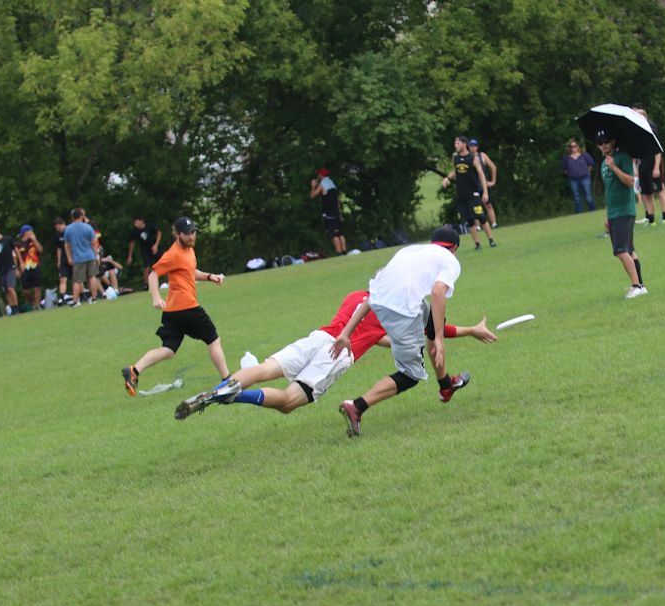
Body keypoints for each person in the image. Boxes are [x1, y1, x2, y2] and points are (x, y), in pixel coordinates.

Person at [175, 291, 496, 419]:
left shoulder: (357, 296)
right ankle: (233, 397)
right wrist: (471, 329)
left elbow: (372, 334)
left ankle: (219, 389)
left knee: (264, 368)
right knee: (287, 402)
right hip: (337, 353)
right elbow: (437, 330)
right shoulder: (395, 311)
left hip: (317, 337)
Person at [331, 225, 473, 438]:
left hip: (384, 303)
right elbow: (437, 292)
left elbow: (374, 295)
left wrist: (345, 333)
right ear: (454, 248)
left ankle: (446, 385)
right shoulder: (450, 260)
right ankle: (357, 406)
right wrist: (439, 339)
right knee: (410, 375)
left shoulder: (411, 251)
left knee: (433, 319)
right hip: (401, 311)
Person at [121, 217, 230, 397]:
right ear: (178, 234)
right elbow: (153, 275)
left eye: (193, 232)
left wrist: (210, 277)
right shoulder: (173, 254)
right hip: (187, 307)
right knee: (213, 339)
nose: (192, 236)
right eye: (187, 233)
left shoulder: (189, 250)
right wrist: (156, 297)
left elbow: (190, 271)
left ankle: (134, 370)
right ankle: (228, 381)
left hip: (173, 312)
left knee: (168, 350)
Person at [596, 129, 647, 299]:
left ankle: (636, 286)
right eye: (600, 143)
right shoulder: (603, 163)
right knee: (629, 250)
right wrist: (608, 215)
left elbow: (630, 181)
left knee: (620, 251)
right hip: (614, 212)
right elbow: (610, 191)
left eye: (606, 141)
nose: (603, 145)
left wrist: (614, 167)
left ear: (613, 142)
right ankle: (641, 285)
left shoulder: (622, 158)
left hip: (625, 211)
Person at [441, 136, 496, 250]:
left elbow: (481, 175)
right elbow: (456, 171)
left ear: (464, 144)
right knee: (469, 220)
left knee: (481, 217)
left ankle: (491, 240)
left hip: (474, 194)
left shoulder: (473, 158)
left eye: (457, 143)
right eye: (455, 143)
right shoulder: (456, 158)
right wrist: (447, 178)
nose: (455, 145)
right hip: (462, 195)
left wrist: (485, 192)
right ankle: (477, 244)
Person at [631, 104, 665, 225]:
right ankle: (651, 218)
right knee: (646, 193)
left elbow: (658, 150)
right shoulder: (636, 133)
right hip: (642, 165)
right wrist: (636, 168)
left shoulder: (651, 131)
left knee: (660, 189)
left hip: (652, 164)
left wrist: (656, 167)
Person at [63, 208, 102, 305]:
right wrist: (96, 255)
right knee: (92, 277)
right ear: (81, 216)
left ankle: (75, 301)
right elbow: (94, 242)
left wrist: (69, 257)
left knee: (77, 280)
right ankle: (94, 298)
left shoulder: (68, 229)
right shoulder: (88, 227)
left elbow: (67, 245)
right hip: (90, 255)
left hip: (78, 258)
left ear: (73, 217)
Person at [309, 168, 347, 256]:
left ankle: (339, 252)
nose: (318, 176)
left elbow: (312, 196)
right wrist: (339, 213)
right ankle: (344, 251)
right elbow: (337, 200)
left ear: (321, 175)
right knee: (340, 233)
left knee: (333, 234)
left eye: (319, 174)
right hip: (336, 212)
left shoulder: (322, 184)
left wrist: (313, 186)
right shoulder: (332, 184)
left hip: (328, 213)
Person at [0, 225, 21, 315]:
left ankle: (16, 307)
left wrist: (20, 263)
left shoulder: (7, 239)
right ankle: (12, 307)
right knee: (5, 290)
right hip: (1, 270)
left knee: (10, 288)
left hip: (10, 267)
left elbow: (16, 250)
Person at [468, 139, 499, 228]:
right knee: (475, 206)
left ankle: (494, 223)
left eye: (474, 146)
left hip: (483, 184)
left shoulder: (482, 156)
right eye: (471, 146)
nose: (472, 148)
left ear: (477, 147)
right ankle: (477, 226)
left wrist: (493, 181)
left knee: (488, 204)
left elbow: (493, 167)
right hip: (473, 185)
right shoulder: (468, 158)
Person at [561, 139, 596, 213]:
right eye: (571, 147)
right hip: (573, 179)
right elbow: (564, 168)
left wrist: (588, 171)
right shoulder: (567, 158)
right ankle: (579, 213)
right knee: (577, 197)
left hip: (585, 177)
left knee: (588, 195)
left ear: (578, 146)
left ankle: (593, 211)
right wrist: (569, 174)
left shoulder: (584, 155)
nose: (573, 148)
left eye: (575, 146)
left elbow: (591, 163)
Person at [15, 224, 44, 309]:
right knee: (25, 290)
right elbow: (15, 257)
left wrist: (35, 240)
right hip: (24, 268)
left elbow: (40, 250)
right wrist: (17, 268)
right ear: (26, 232)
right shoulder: (18, 244)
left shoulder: (33, 242)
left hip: (35, 266)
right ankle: (32, 302)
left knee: (37, 287)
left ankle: (37, 305)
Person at [127, 216, 161, 285]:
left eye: (137, 222)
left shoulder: (149, 226)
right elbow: (132, 242)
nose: (135, 225)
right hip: (145, 249)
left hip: (154, 246)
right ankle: (146, 284)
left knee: (161, 263)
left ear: (141, 221)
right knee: (147, 267)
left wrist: (156, 245)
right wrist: (130, 256)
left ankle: (168, 280)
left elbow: (159, 233)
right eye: (134, 223)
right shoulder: (135, 231)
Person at [52, 218, 72, 302]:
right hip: (63, 259)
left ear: (63, 224)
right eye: (56, 228)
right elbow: (59, 248)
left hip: (72, 257)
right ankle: (62, 296)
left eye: (59, 227)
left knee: (76, 278)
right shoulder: (58, 235)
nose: (58, 229)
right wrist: (59, 261)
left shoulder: (70, 231)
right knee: (62, 278)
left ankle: (82, 294)